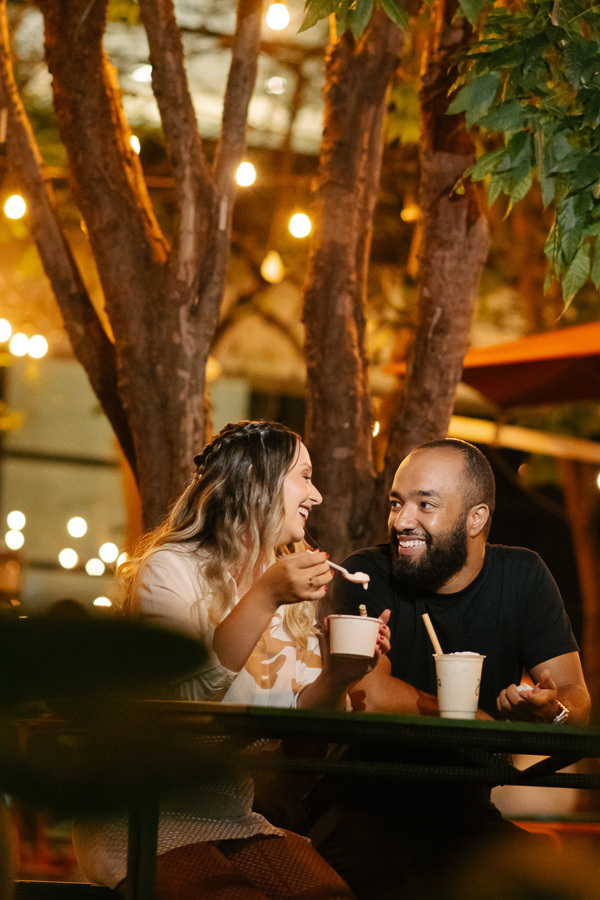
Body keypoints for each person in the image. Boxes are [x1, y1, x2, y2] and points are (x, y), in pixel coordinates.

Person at [72, 419, 390, 900]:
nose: (317, 494)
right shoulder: (171, 569)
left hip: (231, 818)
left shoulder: (286, 588)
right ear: (255, 480)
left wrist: (339, 677)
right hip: (142, 814)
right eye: (304, 476)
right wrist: (265, 596)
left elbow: (302, 726)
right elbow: (187, 702)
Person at [305, 438, 590, 900]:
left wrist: (549, 712)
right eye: (397, 503)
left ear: (475, 518)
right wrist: (468, 719)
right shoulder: (367, 573)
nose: (402, 521)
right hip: (362, 807)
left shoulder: (523, 577)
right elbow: (370, 695)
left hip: (466, 814)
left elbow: (576, 700)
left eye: (425, 504)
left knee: (550, 882)